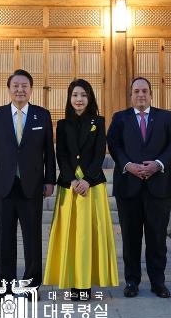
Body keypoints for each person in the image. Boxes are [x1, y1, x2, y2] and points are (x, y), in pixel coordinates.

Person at [0, 69, 55, 289]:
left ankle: (31, 285)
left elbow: (49, 151)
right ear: (9, 89)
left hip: (32, 185)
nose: (20, 90)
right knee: (4, 237)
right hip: (4, 185)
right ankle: (5, 284)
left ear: (31, 90)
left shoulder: (42, 115)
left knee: (32, 238)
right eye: (16, 86)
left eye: (25, 86)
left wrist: (50, 179)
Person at [106, 77, 171, 299]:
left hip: (159, 187)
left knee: (157, 238)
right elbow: (114, 144)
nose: (141, 95)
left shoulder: (165, 117)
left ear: (151, 94)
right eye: (136, 91)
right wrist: (128, 165)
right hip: (129, 187)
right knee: (130, 238)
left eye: (145, 91)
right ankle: (132, 281)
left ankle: (158, 282)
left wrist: (158, 164)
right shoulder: (120, 118)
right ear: (131, 95)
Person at [44, 79, 118, 300]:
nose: (79, 99)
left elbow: (98, 154)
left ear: (90, 97)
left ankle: (85, 284)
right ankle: (71, 281)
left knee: (87, 236)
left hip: (92, 186)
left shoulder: (99, 121)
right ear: (69, 98)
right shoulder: (63, 124)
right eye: (75, 95)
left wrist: (86, 179)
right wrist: (72, 180)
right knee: (70, 234)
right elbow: (62, 155)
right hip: (69, 187)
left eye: (83, 95)